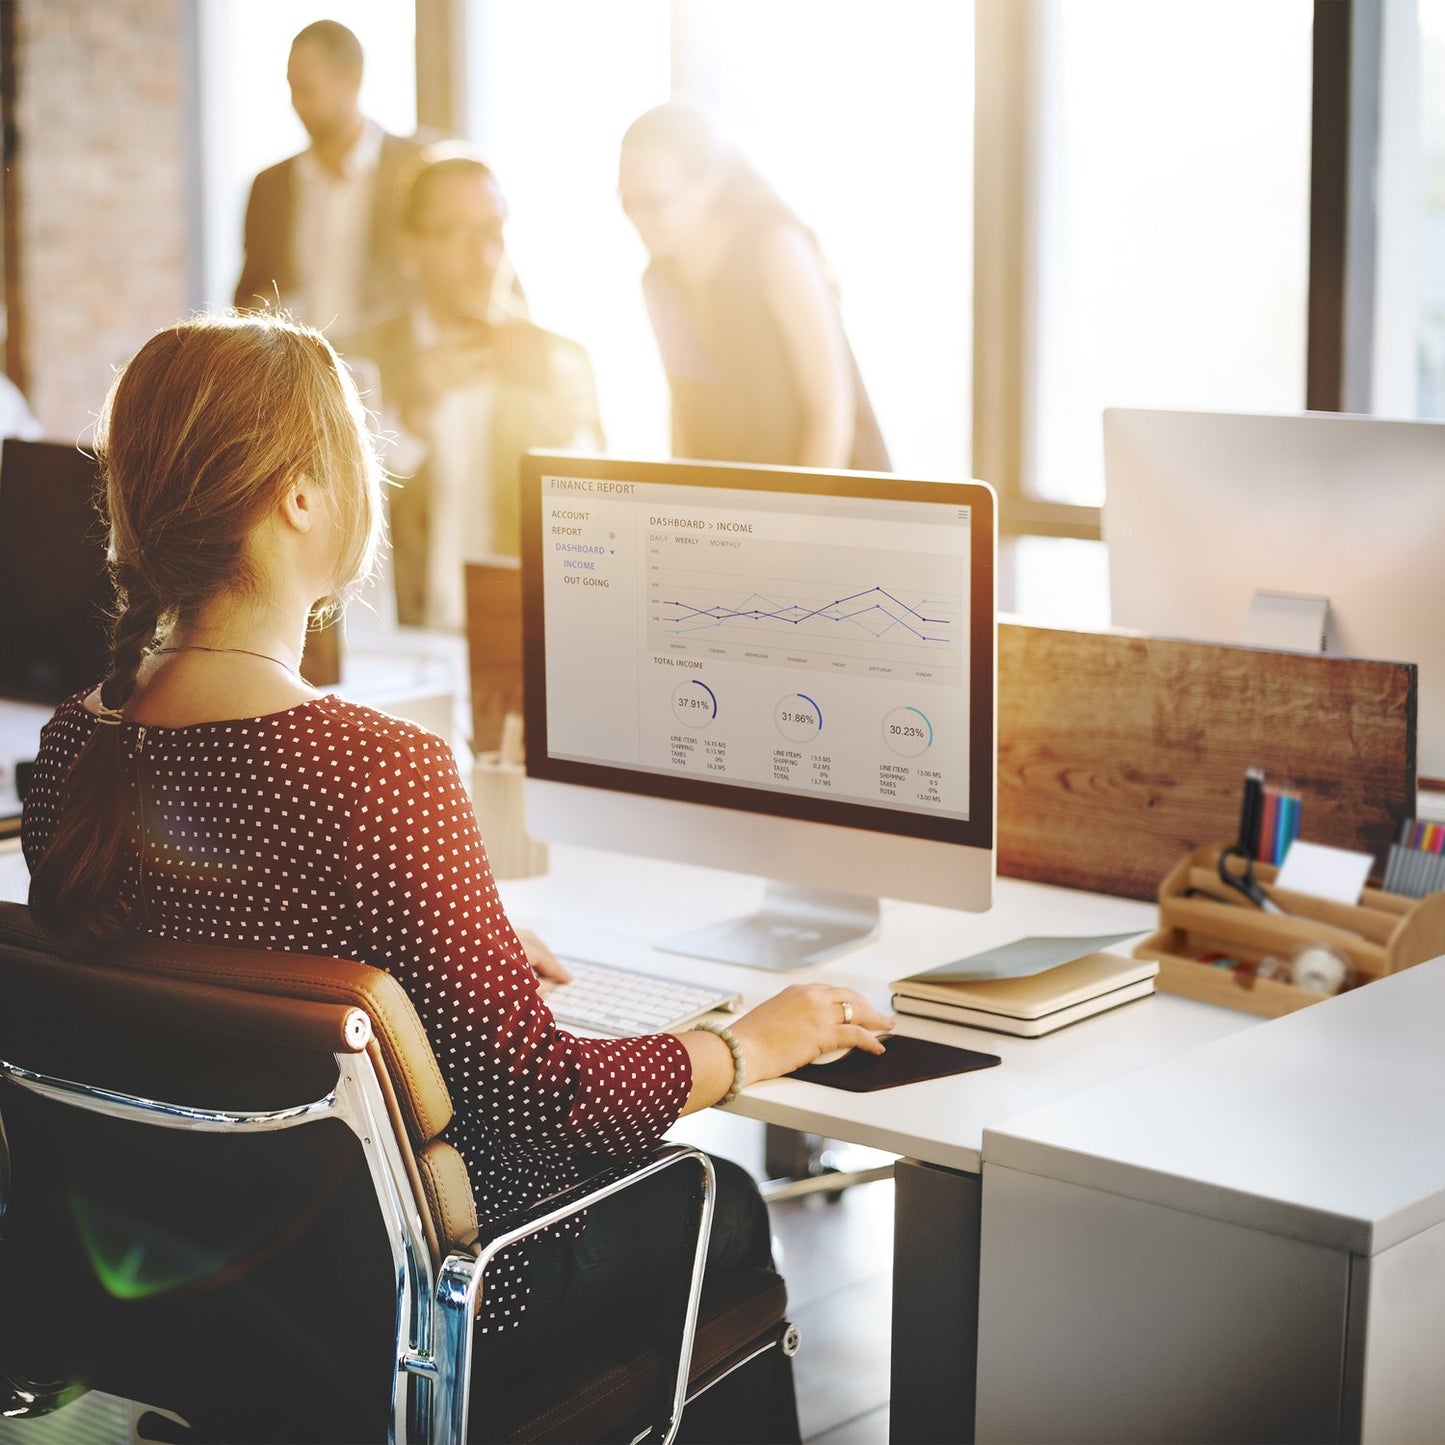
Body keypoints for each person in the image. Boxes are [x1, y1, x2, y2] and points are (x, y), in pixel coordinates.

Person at [19, 313, 890, 1430]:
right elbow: (540, 1110)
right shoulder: (377, 771)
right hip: (416, 1305)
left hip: (191, 1284)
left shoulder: (72, 749)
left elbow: (206, 957)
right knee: (715, 1197)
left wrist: (437, 946)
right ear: (298, 495)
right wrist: (745, 1045)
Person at [339, 144, 602, 629]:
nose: (486, 259)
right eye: (462, 236)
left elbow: (598, 541)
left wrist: (570, 444)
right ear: (410, 245)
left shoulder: (558, 360)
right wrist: (406, 420)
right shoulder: (354, 363)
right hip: (393, 646)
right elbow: (330, 530)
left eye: (494, 233)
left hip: (517, 641)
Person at [618, 103, 889, 472]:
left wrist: (796, 523)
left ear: (708, 184)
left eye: (654, 202)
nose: (637, 218)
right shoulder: (657, 282)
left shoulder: (776, 249)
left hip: (833, 491)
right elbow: (685, 414)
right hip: (742, 508)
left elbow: (831, 414)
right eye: (627, 202)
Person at [233, 19, 425, 333]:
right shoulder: (269, 186)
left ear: (352, 80)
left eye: (308, 90)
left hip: (392, 371)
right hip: (295, 373)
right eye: (292, 88)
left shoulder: (415, 167)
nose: (297, 104)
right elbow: (248, 294)